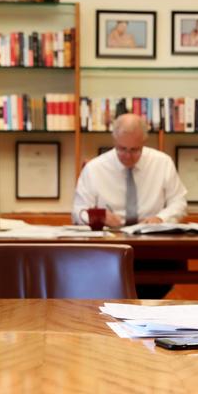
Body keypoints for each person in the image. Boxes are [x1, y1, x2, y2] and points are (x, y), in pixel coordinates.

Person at [73, 113, 188, 298]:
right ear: (114, 140)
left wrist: (161, 218)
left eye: (135, 150)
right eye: (121, 149)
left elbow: (179, 202)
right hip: (110, 247)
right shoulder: (95, 168)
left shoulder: (162, 163)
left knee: (159, 278)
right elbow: (78, 211)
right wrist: (99, 217)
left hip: (153, 249)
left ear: (144, 142)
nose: (127, 156)